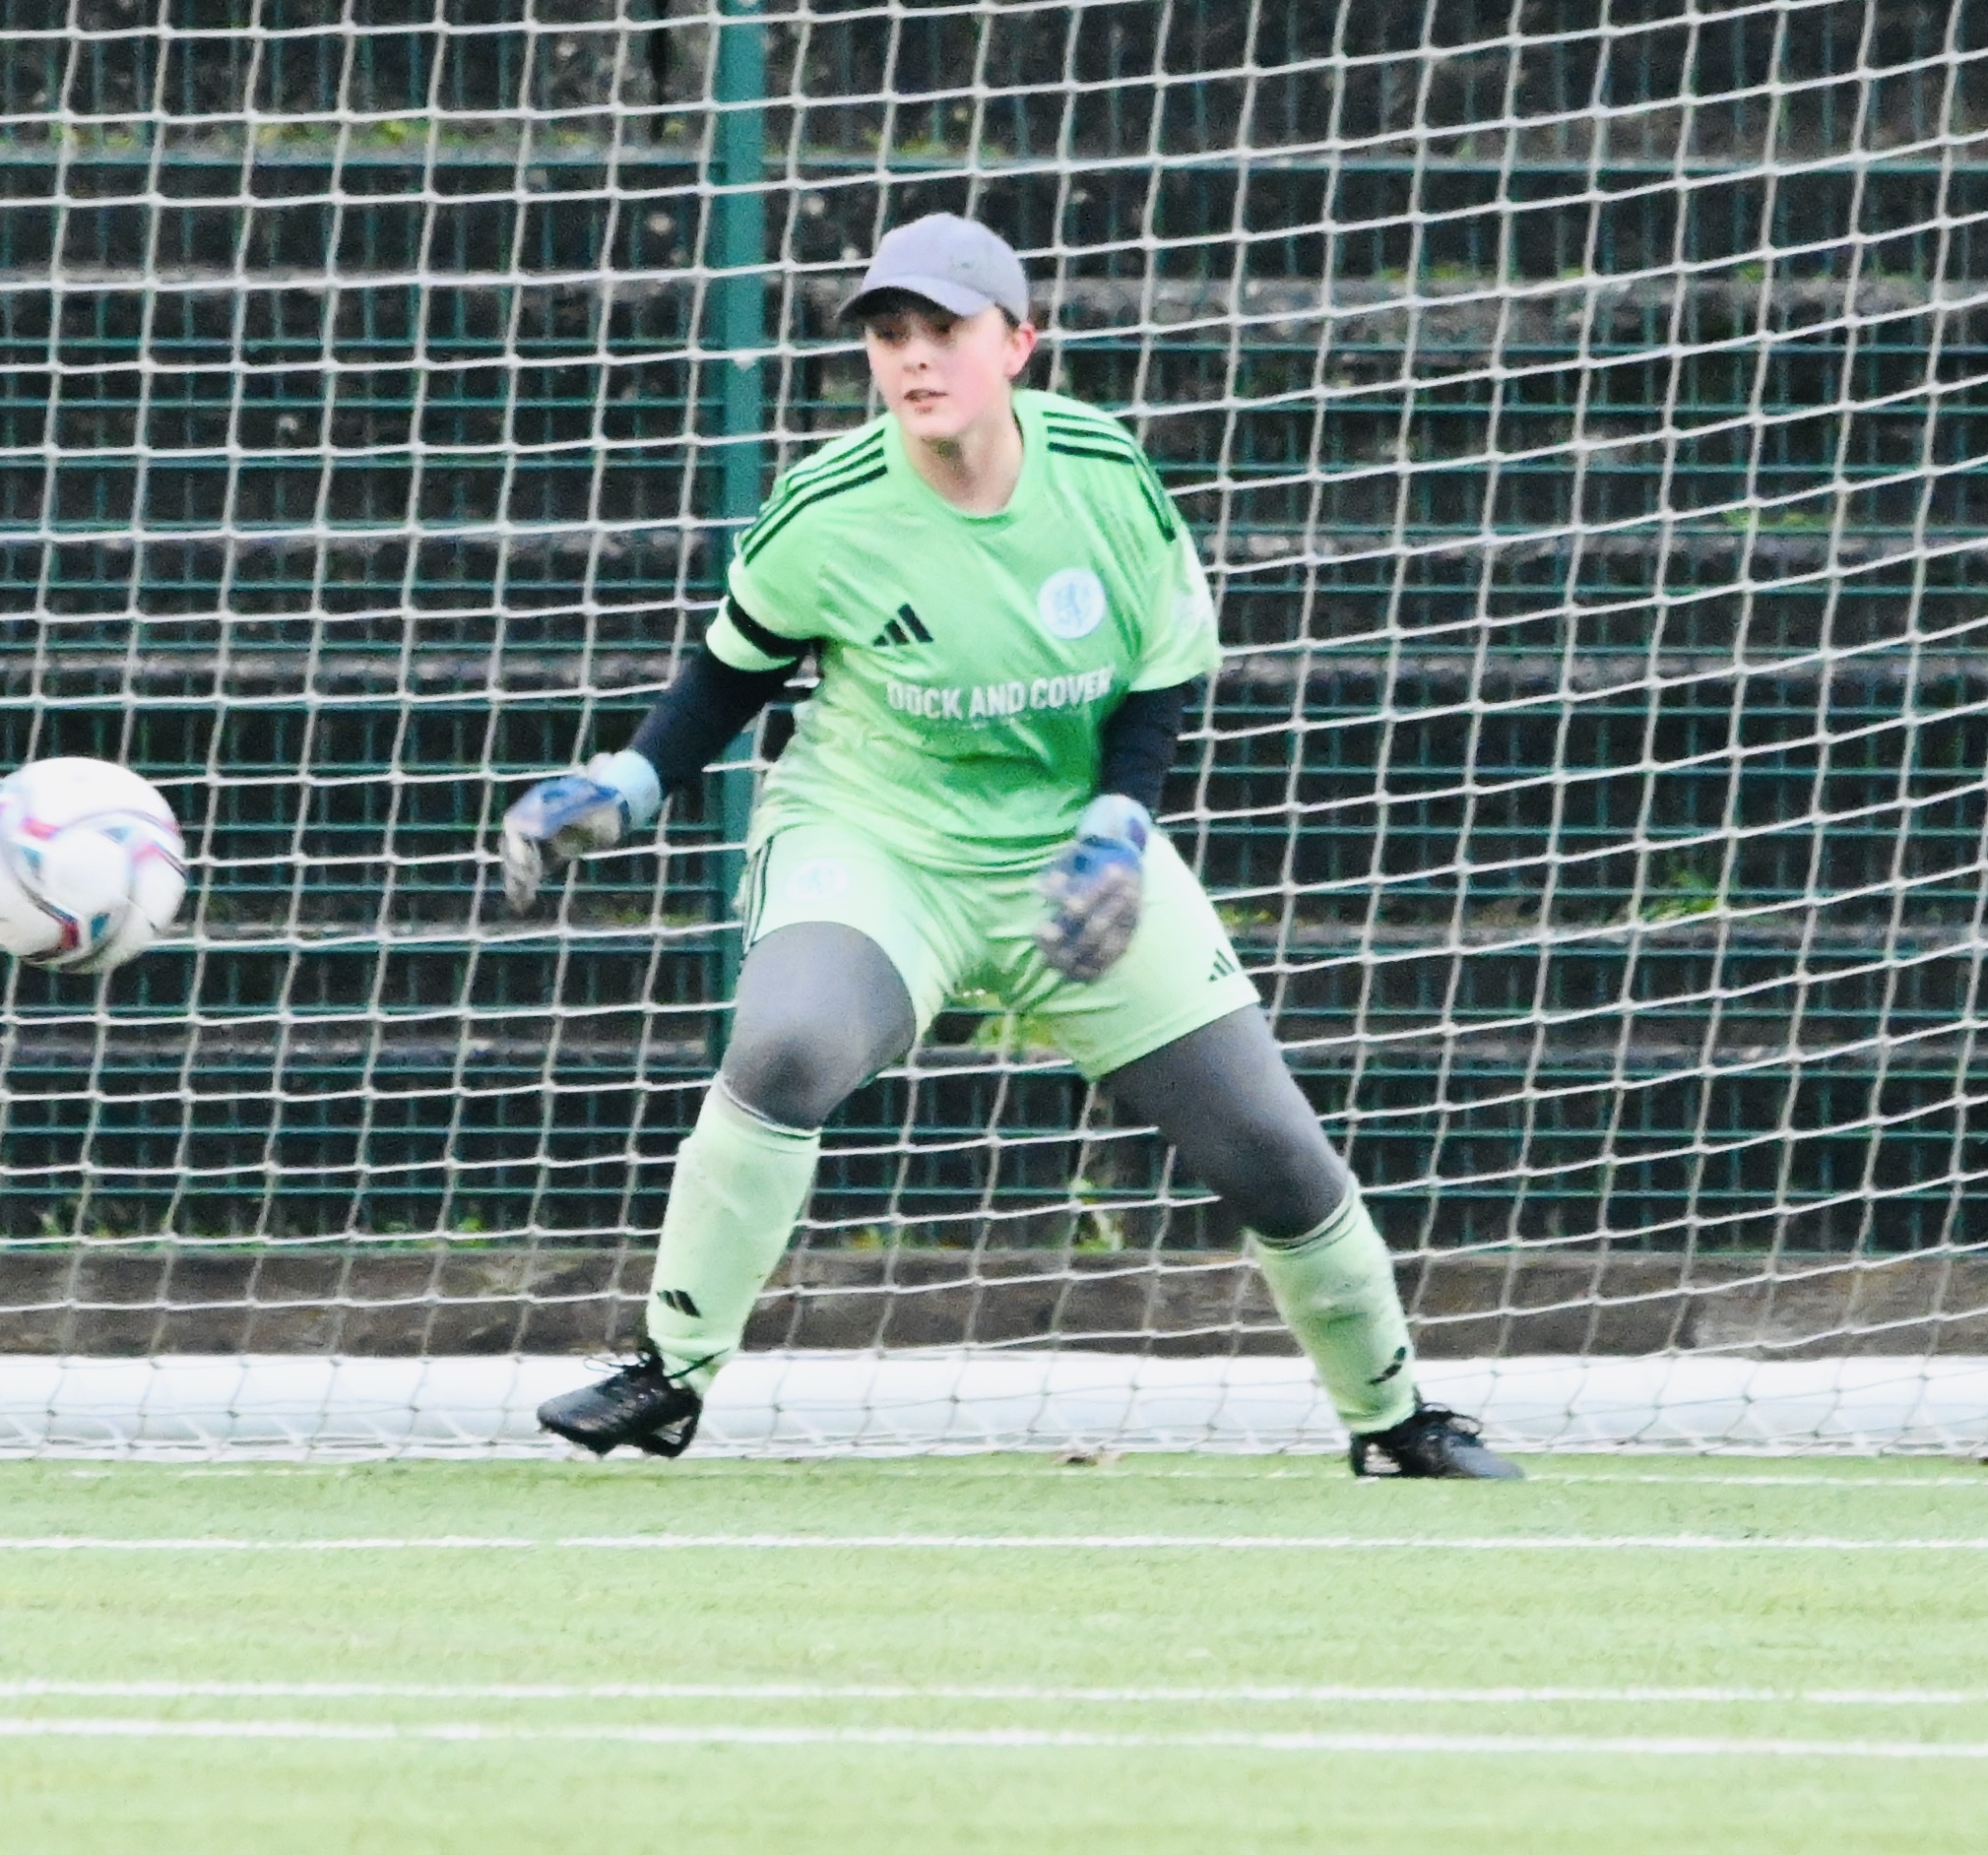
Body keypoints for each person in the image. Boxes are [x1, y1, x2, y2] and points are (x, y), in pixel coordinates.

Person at [493, 211, 1511, 1481]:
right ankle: (670, 1376)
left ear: (1020, 344)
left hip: (1075, 858)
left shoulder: (1104, 476)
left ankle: (1395, 1419)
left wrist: (1119, 825)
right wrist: (629, 783)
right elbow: (724, 680)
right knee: (792, 1042)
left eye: (945, 330)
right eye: (889, 335)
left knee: (1266, 1148)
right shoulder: (828, 510)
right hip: (878, 841)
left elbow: (1158, 676)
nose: (915, 358)